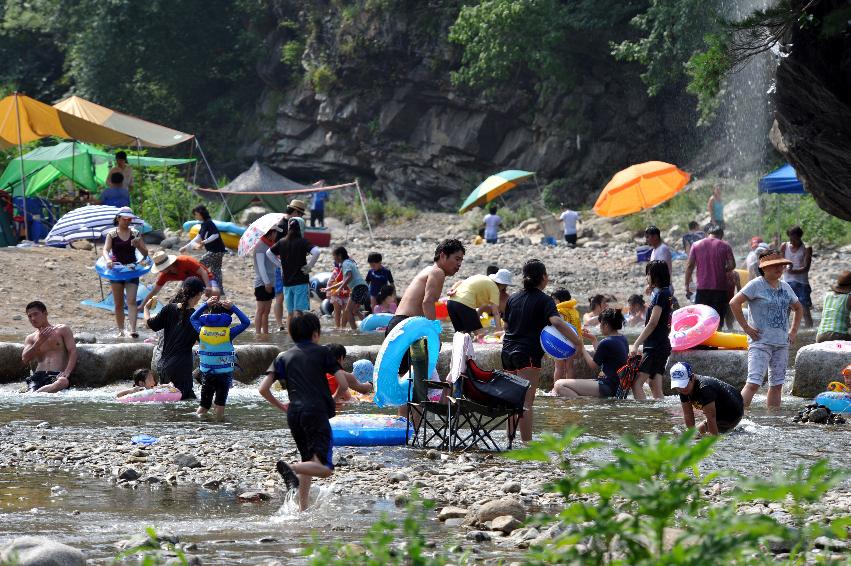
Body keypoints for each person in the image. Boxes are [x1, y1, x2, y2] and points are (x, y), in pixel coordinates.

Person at [258, 312, 349, 511]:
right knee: (324, 469)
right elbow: (343, 383)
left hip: (295, 414)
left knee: (308, 460)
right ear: (316, 334)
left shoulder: (282, 356)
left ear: (291, 334)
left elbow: (263, 389)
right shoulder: (323, 352)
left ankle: (303, 507)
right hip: (316, 412)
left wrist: (282, 406)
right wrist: (333, 400)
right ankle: (290, 469)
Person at [501, 259, 582, 442]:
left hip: (507, 353)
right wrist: (577, 342)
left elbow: (506, 326)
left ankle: (509, 442)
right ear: (544, 277)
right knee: (526, 403)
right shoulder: (545, 300)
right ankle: (527, 444)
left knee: (512, 402)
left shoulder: (513, 298)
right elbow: (557, 322)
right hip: (527, 355)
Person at [730, 249, 803, 409]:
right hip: (760, 342)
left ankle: (773, 420)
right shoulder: (756, 284)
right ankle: (736, 417)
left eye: (781, 265)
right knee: (754, 383)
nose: (779, 268)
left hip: (781, 343)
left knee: (777, 385)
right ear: (764, 268)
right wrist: (747, 328)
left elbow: (798, 308)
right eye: (774, 265)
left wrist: (793, 331)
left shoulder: (785, 287)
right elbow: (734, 303)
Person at [385, 239, 465, 375]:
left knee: (399, 376)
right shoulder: (438, 272)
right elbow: (427, 302)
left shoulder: (430, 270)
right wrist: (435, 334)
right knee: (408, 378)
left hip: (397, 324)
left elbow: (425, 300)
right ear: (443, 255)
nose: (459, 264)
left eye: (461, 260)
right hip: (406, 326)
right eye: (457, 259)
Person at [144, 277, 205, 400]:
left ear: (183, 290)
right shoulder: (197, 318)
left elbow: (149, 324)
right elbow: (205, 343)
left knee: (168, 402)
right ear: (199, 294)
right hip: (181, 367)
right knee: (186, 403)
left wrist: (146, 308)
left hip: (164, 366)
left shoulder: (169, 308)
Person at [190, 296, 251, 418]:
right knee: (220, 407)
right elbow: (246, 322)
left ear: (210, 315)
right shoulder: (228, 333)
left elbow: (193, 318)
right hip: (224, 376)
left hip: (207, 374)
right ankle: (219, 427)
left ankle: (196, 426)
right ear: (227, 318)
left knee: (203, 406)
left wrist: (205, 304)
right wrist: (234, 307)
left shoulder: (202, 331)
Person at [553, 308, 628, 399]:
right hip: (616, 386)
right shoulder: (622, 339)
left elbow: (593, 365)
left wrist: (582, 347)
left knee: (559, 385)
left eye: (601, 324)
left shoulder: (606, 342)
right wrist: (593, 340)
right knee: (557, 388)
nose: (600, 327)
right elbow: (602, 356)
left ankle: (583, 404)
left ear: (606, 325)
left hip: (607, 386)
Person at [102, 207, 149, 338]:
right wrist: (108, 260)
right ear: (118, 218)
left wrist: (138, 245)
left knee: (132, 300)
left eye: (130, 219)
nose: (127, 221)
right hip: (116, 271)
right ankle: (121, 330)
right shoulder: (111, 234)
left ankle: (133, 329)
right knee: (118, 304)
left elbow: (145, 254)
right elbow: (105, 250)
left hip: (132, 270)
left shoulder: (135, 233)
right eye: (125, 219)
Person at [630, 260, 673, 400]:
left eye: (648, 274)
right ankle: (659, 417)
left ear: (656, 276)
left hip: (654, 346)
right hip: (661, 344)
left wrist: (636, 344)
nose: (646, 277)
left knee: (636, 384)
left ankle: (646, 418)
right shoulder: (665, 293)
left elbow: (653, 323)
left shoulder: (661, 295)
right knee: (654, 386)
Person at [267, 218, 320, 328]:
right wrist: (309, 266)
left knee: (290, 313)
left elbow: (269, 253)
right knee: (299, 312)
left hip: (286, 283)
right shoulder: (303, 242)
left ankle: (290, 337)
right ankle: (299, 337)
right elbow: (316, 252)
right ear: (301, 228)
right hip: (301, 281)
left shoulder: (282, 242)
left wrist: (279, 263)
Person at [671, 362, 744, 435]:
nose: (682, 388)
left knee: (710, 434)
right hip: (719, 411)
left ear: (692, 377)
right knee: (696, 434)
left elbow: (711, 417)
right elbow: (688, 414)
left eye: (684, 384)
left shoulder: (704, 388)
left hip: (733, 412)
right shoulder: (684, 390)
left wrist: (713, 441)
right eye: (678, 386)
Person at [21, 301, 76, 393]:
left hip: (56, 375)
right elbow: (25, 359)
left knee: (63, 381)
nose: (33, 318)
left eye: (35, 314)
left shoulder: (62, 330)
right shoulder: (31, 338)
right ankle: (36, 392)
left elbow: (72, 351)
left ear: (45, 313)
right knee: (34, 387)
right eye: (29, 316)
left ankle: (36, 393)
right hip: (37, 376)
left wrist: (67, 372)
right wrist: (38, 342)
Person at [684, 224, 735, 321]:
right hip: (720, 288)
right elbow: (732, 265)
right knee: (717, 320)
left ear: (708, 234)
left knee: (702, 319)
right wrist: (721, 269)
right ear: (721, 235)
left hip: (702, 288)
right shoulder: (725, 245)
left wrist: (687, 285)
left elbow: (690, 266)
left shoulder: (696, 245)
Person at [141, 251, 218, 310]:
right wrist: (143, 305)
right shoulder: (165, 275)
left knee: (215, 292)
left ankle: (212, 311)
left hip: (206, 278)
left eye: (161, 268)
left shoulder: (185, 261)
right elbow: (154, 291)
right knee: (180, 301)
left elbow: (203, 272)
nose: (160, 271)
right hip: (191, 284)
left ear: (168, 265)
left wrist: (208, 286)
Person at [446, 269, 513, 334]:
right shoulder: (494, 288)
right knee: (480, 334)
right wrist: (499, 330)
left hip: (451, 302)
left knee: (463, 334)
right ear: (503, 284)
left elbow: (460, 282)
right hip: (464, 303)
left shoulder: (483, 278)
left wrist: (452, 289)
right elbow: (495, 313)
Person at [180, 205, 227, 296]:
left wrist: (204, 242)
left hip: (215, 251)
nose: (195, 216)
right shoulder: (204, 224)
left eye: (196, 214)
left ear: (201, 214)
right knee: (216, 270)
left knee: (199, 267)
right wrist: (186, 247)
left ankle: (193, 287)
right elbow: (198, 237)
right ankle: (219, 292)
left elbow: (216, 235)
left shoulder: (209, 223)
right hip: (219, 250)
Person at [781, 225, 814, 328]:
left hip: (802, 283)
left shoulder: (806, 248)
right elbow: (780, 262)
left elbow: (806, 267)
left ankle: (810, 331)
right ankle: (782, 332)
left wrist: (792, 271)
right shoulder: (784, 246)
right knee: (785, 309)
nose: (792, 241)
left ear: (800, 237)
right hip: (786, 282)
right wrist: (785, 267)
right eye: (791, 238)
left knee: (805, 309)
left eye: (795, 239)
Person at [551, 289, 581, 382]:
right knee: (569, 367)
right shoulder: (574, 311)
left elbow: (558, 326)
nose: (552, 302)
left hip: (560, 341)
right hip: (573, 341)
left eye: (553, 299)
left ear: (559, 300)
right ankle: (570, 387)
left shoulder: (559, 311)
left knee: (559, 367)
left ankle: (556, 389)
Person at [253, 228, 278, 335]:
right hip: (262, 283)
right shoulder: (260, 246)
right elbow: (261, 267)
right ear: (271, 233)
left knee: (267, 311)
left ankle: (266, 334)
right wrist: (266, 282)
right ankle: (258, 334)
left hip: (271, 281)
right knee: (261, 310)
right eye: (276, 232)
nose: (276, 235)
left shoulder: (270, 245)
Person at [816, 271, 851, 342]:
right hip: (838, 336)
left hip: (820, 336)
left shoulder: (827, 295)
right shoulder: (848, 298)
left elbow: (835, 315)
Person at [324, 260, 349, 328]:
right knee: (337, 311)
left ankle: (343, 327)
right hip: (336, 295)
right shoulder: (335, 273)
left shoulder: (349, 273)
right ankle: (338, 326)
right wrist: (328, 293)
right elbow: (329, 283)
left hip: (346, 295)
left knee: (345, 312)